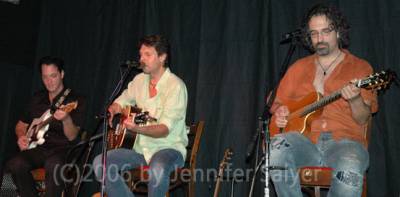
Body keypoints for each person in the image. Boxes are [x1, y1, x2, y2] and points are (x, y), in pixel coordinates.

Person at [269, 4, 378, 197]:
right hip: (304, 143)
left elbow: (363, 119)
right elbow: (274, 102)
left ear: (338, 32)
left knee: (351, 165)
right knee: (275, 148)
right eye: (314, 33)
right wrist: (280, 111)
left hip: (345, 143)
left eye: (326, 31)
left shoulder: (360, 68)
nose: (319, 39)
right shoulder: (298, 68)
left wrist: (354, 100)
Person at [93, 34, 188, 197]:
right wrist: (114, 108)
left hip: (169, 149)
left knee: (157, 169)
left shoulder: (175, 86)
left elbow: (164, 130)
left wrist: (137, 128)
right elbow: (123, 99)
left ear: (162, 57)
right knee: (100, 163)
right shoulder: (139, 80)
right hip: (141, 150)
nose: (142, 59)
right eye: (141, 55)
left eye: (148, 54)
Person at [5, 56, 86, 197]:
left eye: (53, 76)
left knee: (54, 164)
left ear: (62, 74)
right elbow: (20, 124)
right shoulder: (37, 98)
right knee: (13, 164)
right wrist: (21, 136)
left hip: (63, 150)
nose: (49, 81)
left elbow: (73, 136)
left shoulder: (76, 100)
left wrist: (66, 119)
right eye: (45, 77)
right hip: (39, 148)